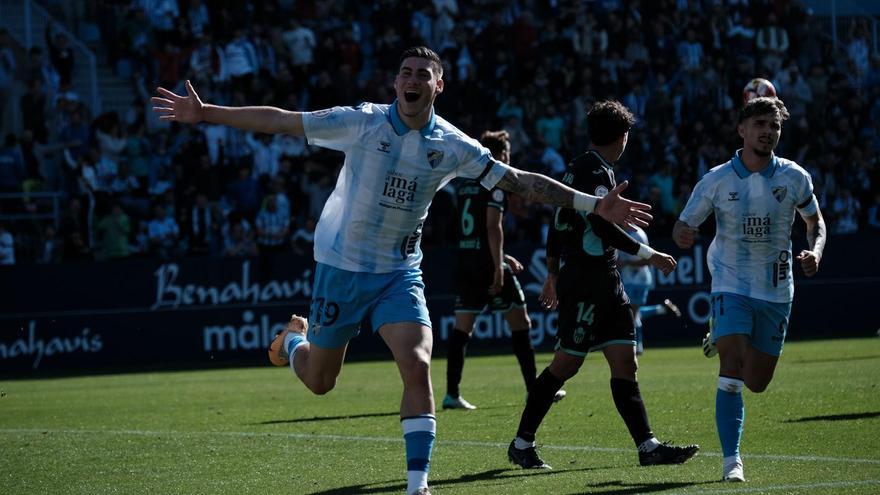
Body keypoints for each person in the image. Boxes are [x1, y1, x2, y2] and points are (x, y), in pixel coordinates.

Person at [152, 47, 652, 495]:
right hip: (341, 268)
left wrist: (592, 205)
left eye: (423, 74)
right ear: (397, 83)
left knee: (416, 364)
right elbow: (282, 120)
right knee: (320, 381)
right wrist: (207, 113)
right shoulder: (362, 122)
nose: (412, 80)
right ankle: (293, 342)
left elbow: (520, 181)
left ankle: (418, 485)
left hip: (398, 273)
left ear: (438, 85)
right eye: (405, 72)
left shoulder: (453, 145)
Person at [511, 100, 699, 470]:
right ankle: (521, 443)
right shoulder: (597, 173)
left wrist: (550, 273)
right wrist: (649, 253)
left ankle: (648, 447)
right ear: (623, 136)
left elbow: (557, 223)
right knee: (566, 364)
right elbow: (600, 225)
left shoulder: (575, 169)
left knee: (625, 362)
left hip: (605, 279)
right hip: (586, 280)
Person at [673, 97, 826, 482]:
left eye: (774, 126)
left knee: (757, 382)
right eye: (760, 124)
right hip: (730, 282)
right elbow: (681, 226)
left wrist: (816, 251)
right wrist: (683, 234)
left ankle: (718, 336)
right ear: (742, 129)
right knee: (732, 367)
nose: (768, 132)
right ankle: (732, 462)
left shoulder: (794, 177)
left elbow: (815, 222)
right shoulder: (716, 179)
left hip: (775, 290)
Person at [444, 129, 566, 411]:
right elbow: (491, 226)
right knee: (521, 323)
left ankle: (452, 394)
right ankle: (533, 389)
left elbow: (471, 230)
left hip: (466, 262)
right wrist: (498, 267)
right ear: (498, 155)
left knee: (462, 329)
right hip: (488, 266)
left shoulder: (465, 184)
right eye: (507, 156)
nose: (508, 161)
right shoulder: (494, 183)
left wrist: (503, 256)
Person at [617, 224, 681, 355]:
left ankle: (637, 346)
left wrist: (627, 263)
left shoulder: (638, 235)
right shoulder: (620, 232)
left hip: (640, 280)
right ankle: (662, 309)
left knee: (631, 314)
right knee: (630, 313)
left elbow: (649, 260)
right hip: (628, 279)